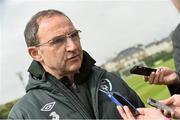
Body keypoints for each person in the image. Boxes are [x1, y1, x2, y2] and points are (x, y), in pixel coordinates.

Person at [8, 9, 144, 119]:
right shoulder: (25, 113)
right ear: (35, 53)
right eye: (57, 41)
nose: (72, 46)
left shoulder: (111, 80)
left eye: (74, 35)